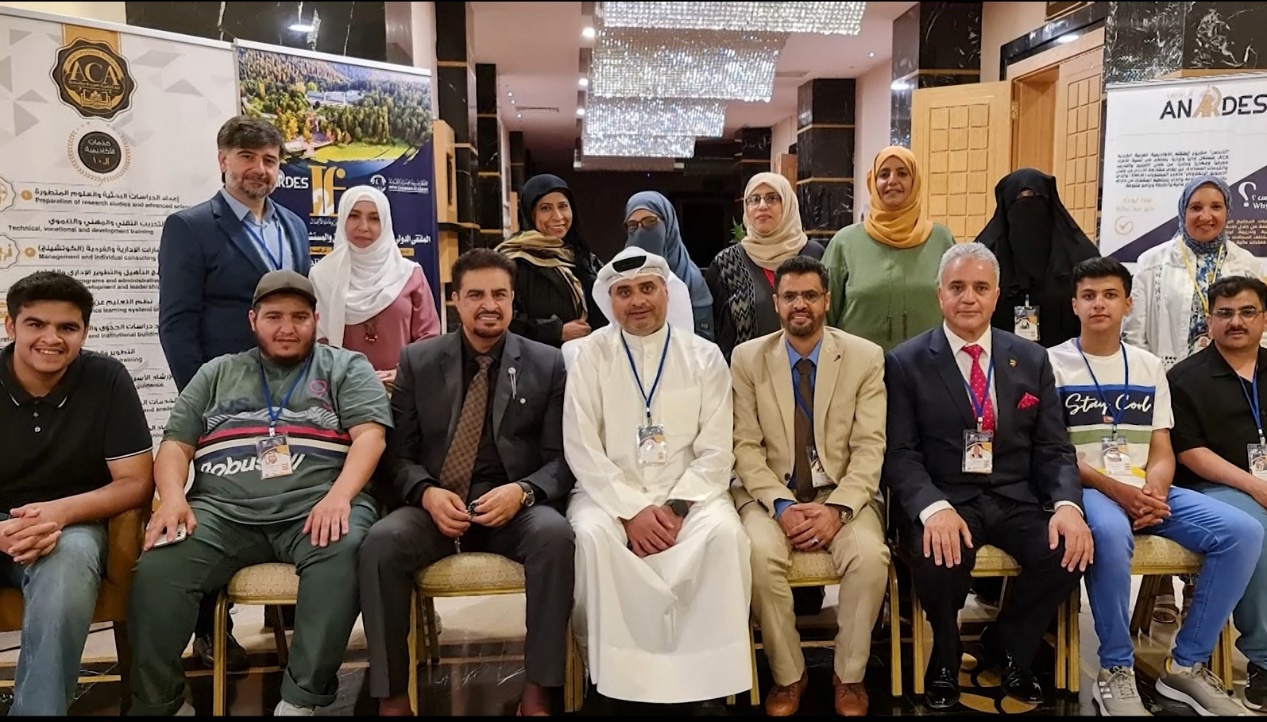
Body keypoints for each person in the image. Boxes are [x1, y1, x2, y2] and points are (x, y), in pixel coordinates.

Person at [127, 270, 390, 716]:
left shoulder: (347, 367)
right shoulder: (216, 372)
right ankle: (160, 704)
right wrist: (172, 497)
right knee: (159, 567)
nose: (287, 328)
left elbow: (370, 436)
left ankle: (301, 700)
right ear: (253, 320)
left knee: (343, 550)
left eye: (299, 317)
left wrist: (340, 495)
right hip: (221, 512)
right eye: (274, 317)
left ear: (315, 320)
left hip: (316, 505)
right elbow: (175, 445)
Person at [359, 249, 575, 716]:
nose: (489, 305)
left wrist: (524, 492)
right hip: (435, 505)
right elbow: (396, 456)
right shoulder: (417, 361)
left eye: (500, 294)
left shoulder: (548, 363)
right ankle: (392, 699)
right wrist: (426, 492)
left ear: (513, 301)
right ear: (454, 300)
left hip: (512, 507)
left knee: (555, 536)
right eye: (476, 294)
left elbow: (562, 461)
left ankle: (538, 693)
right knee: (381, 543)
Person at [884, 243, 1091, 709]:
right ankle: (945, 651)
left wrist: (1068, 506)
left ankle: (1011, 644)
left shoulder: (1031, 358)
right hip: (947, 496)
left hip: (1016, 496)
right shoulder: (906, 362)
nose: (968, 298)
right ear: (940, 294)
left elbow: (1054, 447)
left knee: (1069, 550)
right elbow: (900, 453)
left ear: (997, 296)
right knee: (938, 556)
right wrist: (932, 508)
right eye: (957, 287)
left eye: (980, 288)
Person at [1050, 258, 1258, 716]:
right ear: (1074, 305)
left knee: (1243, 533)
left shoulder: (1147, 366)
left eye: (1110, 295)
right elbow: (1054, 452)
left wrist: (1156, 490)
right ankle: (1116, 668)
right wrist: (1119, 492)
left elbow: (1162, 447)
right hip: (1088, 489)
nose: (1099, 304)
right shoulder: (1051, 364)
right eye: (1089, 296)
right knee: (1109, 533)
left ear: (1128, 304)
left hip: (1147, 489)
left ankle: (1185, 666)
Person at [565, 247, 752, 710]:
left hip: (691, 496)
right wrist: (631, 511)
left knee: (726, 536)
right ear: (611, 301)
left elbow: (717, 449)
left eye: (647, 288)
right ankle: (611, 677)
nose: (637, 301)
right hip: (607, 495)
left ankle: (707, 679)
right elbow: (582, 446)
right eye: (624, 293)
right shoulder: (589, 356)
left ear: (666, 293)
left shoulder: (705, 356)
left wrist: (674, 508)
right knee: (591, 539)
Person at [157, 115, 311, 668]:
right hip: (224, 399)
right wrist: (204, 401)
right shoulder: (190, 226)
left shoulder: (294, 226)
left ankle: (294, 615)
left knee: (288, 492)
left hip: (291, 395)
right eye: (247, 157)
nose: (259, 170)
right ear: (223, 160)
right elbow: (176, 323)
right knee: (215, 506)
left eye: (269, 160)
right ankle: (209, 630)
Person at [730, 256, 889, 716]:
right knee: (757, 557)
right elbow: (745, 447)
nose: (800, 304)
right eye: (790, 296)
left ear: (827, 301)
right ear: (776, 303)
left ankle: (848, 676)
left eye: (810, 295)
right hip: (769, 495)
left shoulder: (864, 357)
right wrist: (781, 505)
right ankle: (789, 675)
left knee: (870, 558)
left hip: (841, 494)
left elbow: (869, 447)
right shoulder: (748, 358)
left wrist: (837, 509)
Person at [0, 271, 154, 715]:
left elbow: (135, 481)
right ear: (10, 326)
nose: (51, 339)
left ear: (84, 332)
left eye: (67, 327)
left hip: (72, 527)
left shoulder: (107, 378)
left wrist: (59, 513)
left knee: (67, 560)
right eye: (36, 324)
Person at [1124, 175, 1265, 625]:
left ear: (1228, 212)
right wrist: (1151, 383)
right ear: (1182, 212)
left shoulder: (1248, 264)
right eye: (1195, 207)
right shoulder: (1152, 261)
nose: (1206, 216)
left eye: (1216, 207)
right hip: (1168, 387)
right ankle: (1165, 586)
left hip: (1227, 392)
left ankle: (1202, 589)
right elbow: (1135, 334)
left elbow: (1254, 331)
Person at [1169, 275, 1267, 712]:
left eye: (1247, 312)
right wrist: (1253, 485)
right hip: (1212, 488)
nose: (1236, 322)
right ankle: (1263, 658)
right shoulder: (1185, 378)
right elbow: (1189, 451)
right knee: (1256, 526)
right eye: (1224, 314)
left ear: (1264, 318)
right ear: (1209, 321)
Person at [823, 146, 955, 352]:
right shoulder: (845, 242)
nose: (892, 181)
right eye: (884, 174)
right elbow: (823, 312)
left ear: (915, 181)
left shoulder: (941, 239)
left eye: (902, 174)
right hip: (858, 365)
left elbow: (957, 306)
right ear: (873, 183)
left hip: (927, 364)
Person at [310, 185, 440, 384]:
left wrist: (404, 373)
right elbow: (317, 339)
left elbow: (429, 338)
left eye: (374, 218)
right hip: (343, 388)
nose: (363, 226)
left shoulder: (409, 274)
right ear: (342, 219)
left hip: (402, 387)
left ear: (386, 223)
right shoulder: (322, 276)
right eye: (354, 216)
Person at [706, 172, 825, 363]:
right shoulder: (726, 265)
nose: (762, 206)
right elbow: (716, 333)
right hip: (747, 374)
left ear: (788, 204)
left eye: (772, 198)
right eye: (754, 199)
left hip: (809, 370)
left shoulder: (815, 255)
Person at [974, 168, 1099, 349]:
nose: (1027, 208)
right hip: (999, 358)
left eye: (1034, 196)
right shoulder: (981, 258)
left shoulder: (1081, 256)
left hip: (1067, 358)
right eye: (1018, 199)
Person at [496, 174, 606, 348]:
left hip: (590, 356)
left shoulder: (584, 258)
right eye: (545, 208)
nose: (558, 216)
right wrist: (555, 331)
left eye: (563, 206)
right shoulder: (513, 262)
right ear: (530, 213)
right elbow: (502, 319)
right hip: (541, 359)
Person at [623, 191, 713, 340]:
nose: (640, 231)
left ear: (668, 224)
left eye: (650, 222)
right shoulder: (620, 276)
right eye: (632, 225)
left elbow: (704, 342)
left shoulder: (692, 280)